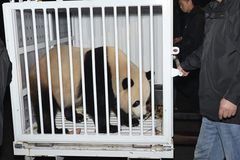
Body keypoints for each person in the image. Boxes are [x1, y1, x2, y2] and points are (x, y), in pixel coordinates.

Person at [178, 0, 240, 159]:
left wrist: (232, 97)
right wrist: (186, 65)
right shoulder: (212, 8)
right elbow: (207, 46)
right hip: (212, 106)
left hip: (231, 109)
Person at [173, 0, 205, 113]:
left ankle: (194, 111)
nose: (181, 7)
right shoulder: (192, 15)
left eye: (181, 4)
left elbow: (194, 41)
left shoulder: (198, 17)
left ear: (189, 1)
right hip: (192, 56)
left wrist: (178, 47)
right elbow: (192, 35)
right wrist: (181, 38)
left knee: (190, 86)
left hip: (194, 57)